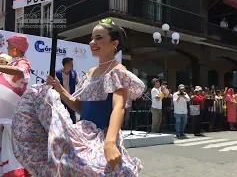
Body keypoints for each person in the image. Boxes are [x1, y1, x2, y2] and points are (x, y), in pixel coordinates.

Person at [11, 18, 144, 176]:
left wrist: (109, 143)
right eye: (92, 38)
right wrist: (59, 88)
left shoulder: (118, 71)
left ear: (114, 44)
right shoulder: (90, 73)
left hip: (101, 136)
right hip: (82, 132)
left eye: (99, 38)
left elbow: (118, 108)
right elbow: (79, 106)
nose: (92, 42)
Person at [0, 34, 30, 176]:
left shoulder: (23, 62)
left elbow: (20, 72)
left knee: (10, 156)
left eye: (9, 47)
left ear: (15, 50)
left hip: (10, 121)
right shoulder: (10, 64)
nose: (7, 49)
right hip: (2, 119)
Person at [56, 57, 80, 124]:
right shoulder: (57, 73)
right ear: (66, 65)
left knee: (72, 115)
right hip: (60, 98)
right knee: (60, 115)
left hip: (70, 98)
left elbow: (79, 83)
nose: (73, 65)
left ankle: (73, 130)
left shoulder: (74, 73)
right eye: (71, 64)